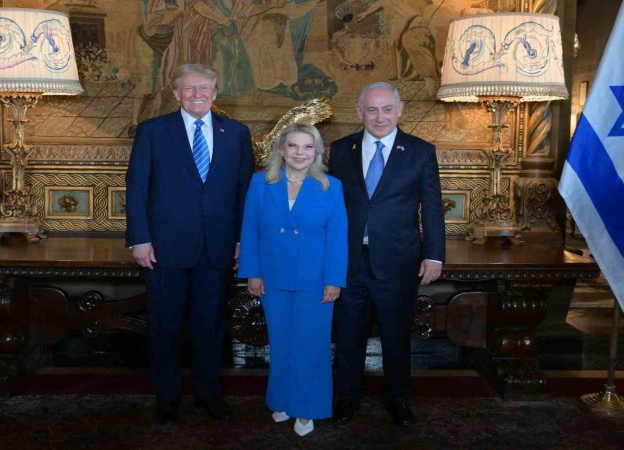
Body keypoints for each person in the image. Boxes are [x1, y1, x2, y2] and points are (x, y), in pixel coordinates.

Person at [125, 64, 254, 424]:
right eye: (189, 89)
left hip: (218, 247)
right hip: (163, 247)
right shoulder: (153, 131)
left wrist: (243, 239)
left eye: (204, 88)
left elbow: (245, 190)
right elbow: (136, 186)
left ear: (215, 92)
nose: (197, 95)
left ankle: (208, 394)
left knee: (210, 326)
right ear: (176, 93)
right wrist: (139, 238)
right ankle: (167, 398)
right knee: (165, 325)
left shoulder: (237, 133)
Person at [328, 81, 445, 427]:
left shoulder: (420, 151)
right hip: (350, 260)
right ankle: (347, 398)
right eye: (372, 110)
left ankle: (398, 399)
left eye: (387, 109)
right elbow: (330, 206)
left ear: (399, 110)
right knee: (348, 335)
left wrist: (434, 255)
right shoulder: (340, 149)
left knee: (396, 335)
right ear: (360, 112)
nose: (380, 117)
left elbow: (432, 207)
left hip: (398, 261)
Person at [238, 123, 348, 436]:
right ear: (281, 149)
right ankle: (282, 400)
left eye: (308, 146)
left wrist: (334, 280)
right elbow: (250, 229)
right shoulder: (261, 182)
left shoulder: (330, 186)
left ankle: (307, 407)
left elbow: (338, 237)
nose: (300, 153)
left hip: (316, 279)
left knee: (311, 344)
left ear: (317, 152)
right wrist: (253, 272)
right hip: (273, 276)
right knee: (281, 341)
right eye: (293, 146)